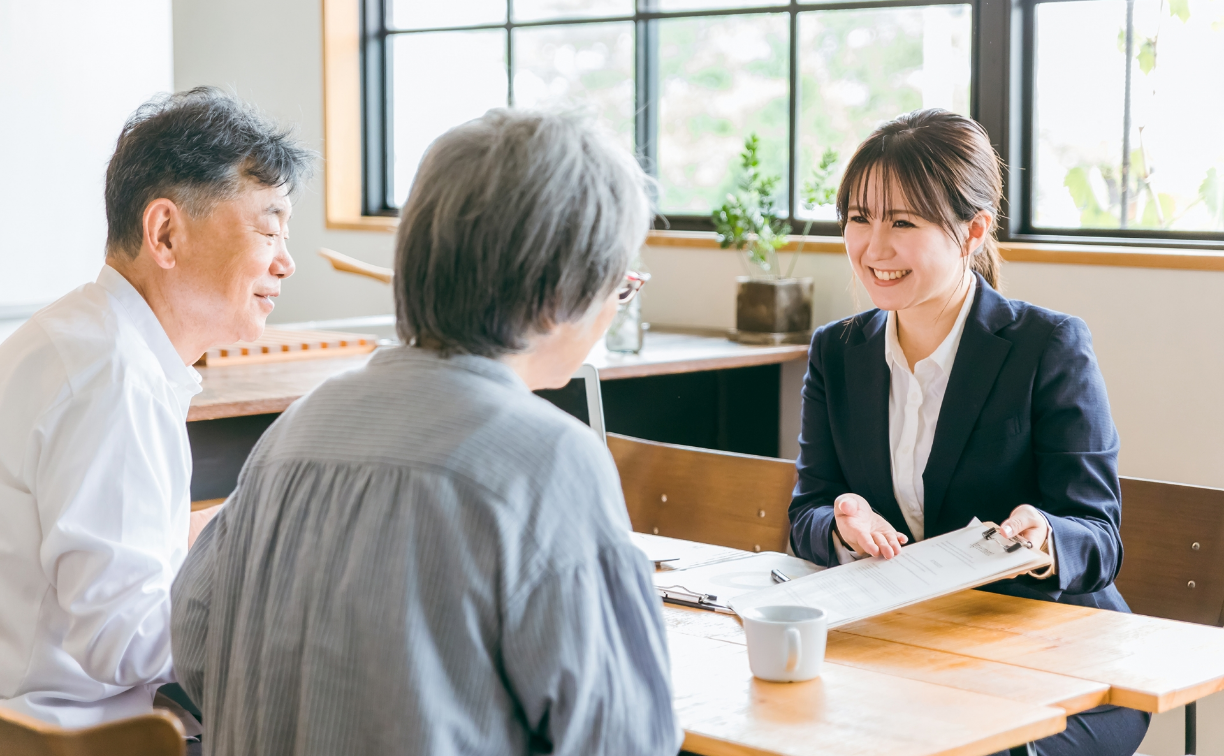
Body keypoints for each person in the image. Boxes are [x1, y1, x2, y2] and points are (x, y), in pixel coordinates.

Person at [170, 109, 682, 756]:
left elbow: (194, 648)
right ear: (562, 293)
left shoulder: (298, 428)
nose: (615, 307)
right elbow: (625, 740)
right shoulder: (548, 459)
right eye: (621, 284)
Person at [788, 109, 1149, 755]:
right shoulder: (837, 352)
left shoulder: (1047, 345)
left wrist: (1044, 535)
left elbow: (1098, 537)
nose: (874, 247)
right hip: (908, 648)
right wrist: (840, 520)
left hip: (1056, 659)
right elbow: (808, 509)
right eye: (859, 217)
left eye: (903, 222)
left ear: (972, 231)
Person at [0, 87, 313, 727]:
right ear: (165, 231)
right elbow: (124, 637)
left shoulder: (79, 337)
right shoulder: (113, 377)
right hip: (69, 735)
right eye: (269, 227)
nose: (286, 261)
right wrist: (285, 601)